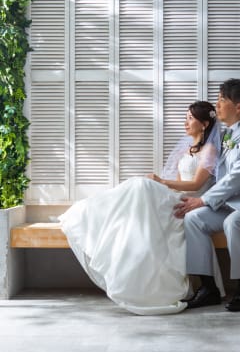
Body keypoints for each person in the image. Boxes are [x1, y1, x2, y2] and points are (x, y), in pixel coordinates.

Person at [59, 101, 223, 316]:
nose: (186, 122)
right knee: (139, 186)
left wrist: (161, 182)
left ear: (205, 124)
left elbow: (195, 185)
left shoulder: (209, 149)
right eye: (186, 117)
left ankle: (96, 211)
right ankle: (92, 212)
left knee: (141, 185)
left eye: (190, 118)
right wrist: (163, 187)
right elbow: (180, 182)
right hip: (178, 196)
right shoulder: (186, 150)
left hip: (192, 202)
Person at [174, 79, 240, 312]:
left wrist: (203, 200)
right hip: (225, 204)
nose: (217, 105)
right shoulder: (220, 138)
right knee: (193, 219)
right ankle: (208, 288)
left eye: (222, 100)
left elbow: (237, 178)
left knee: (234, 222)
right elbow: (211, 174)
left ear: (239, 107)